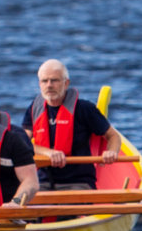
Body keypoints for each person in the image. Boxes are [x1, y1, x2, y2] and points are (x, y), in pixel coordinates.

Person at [20, 59, 125, 190]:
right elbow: (23, 143)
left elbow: (113, 136)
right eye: (44, 81)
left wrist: (112, 152)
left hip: (78, 182)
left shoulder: (84, 108)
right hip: (44, 181)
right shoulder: (34, 108)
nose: (49, 85)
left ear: (66, 83)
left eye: (54, 80)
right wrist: (48, 153)